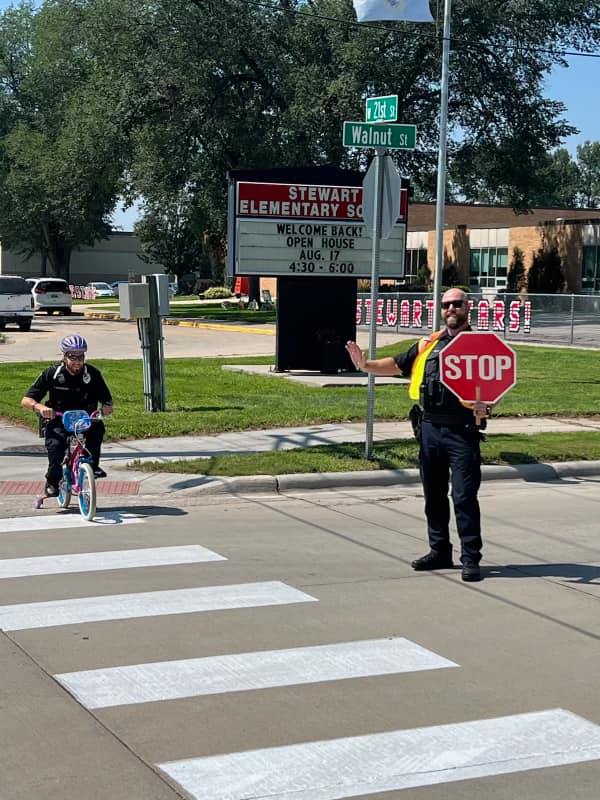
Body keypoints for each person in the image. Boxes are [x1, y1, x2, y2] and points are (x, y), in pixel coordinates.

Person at [345, 288, 490, 582]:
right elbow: (399, 364)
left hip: (462, 431)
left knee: (463, 497)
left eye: (456, 304)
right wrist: (365, 365)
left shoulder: (481, 345)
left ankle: (470, 558)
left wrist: (486, 406)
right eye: (446, 305)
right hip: (430, 429)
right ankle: (439, 550)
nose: (451, 309)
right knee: (433, 496)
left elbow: (496, 382)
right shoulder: (429, 344)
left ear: (468, 307)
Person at [20, 334, 113, 497]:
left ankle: (93, 466)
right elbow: (26, 400)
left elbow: (107, 400)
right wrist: (40, 407)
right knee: (55, 448)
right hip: (58, 419)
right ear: (64, 356)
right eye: (72, 357)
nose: (77, 361)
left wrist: (106, 407)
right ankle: (52, 480)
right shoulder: (52, 373)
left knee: (97, 431)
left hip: (85, 418)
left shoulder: (92, 374)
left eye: (80, 356)